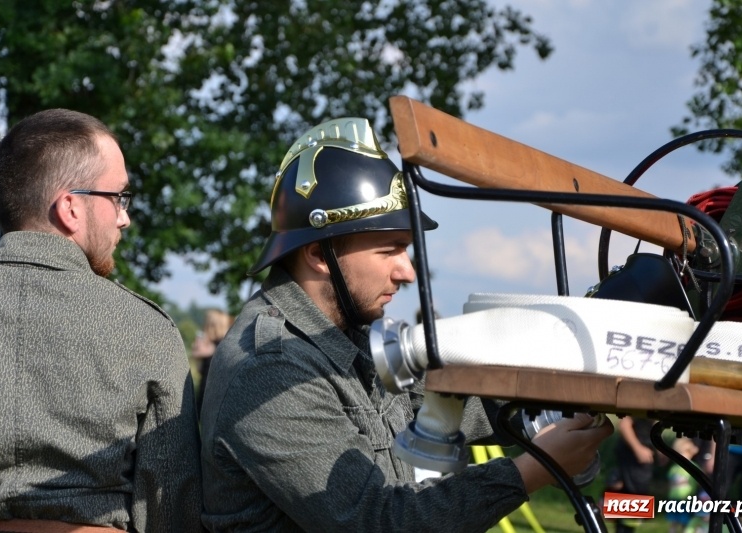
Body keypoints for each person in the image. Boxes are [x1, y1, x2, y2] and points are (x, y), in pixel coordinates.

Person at [199, 117, 612, 532]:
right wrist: (533, 470)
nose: (407, 272)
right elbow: (381, 521)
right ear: (319, 255)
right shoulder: (271, 369)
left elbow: (442, 409)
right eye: (390, 250)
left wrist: (559, 386)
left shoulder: (348, 337)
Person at [0, 109, 203, 532]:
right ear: (70, 207)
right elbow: (172, 504)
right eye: (118, 197)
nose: (125, 217)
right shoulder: (146, 329)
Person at [191, 308, 235, 413]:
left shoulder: (214, 345)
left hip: (208, 388)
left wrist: (199, 340)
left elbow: (196, 353)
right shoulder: (224, 344)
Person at [665, 438, 700, 533]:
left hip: (686, 500)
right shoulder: (674, 468)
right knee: (673, 522)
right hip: (674, 500)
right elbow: (670, 483)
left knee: (686, 523)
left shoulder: (693, 467)